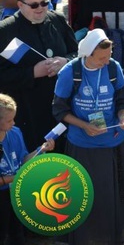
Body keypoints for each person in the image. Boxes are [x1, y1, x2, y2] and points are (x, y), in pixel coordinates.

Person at [52, 29, 124, 245]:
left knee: (113, 194)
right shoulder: (71, 72)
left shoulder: (113, 68)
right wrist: (84, 125)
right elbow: (59, 110)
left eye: (108, 57)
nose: (106, 62)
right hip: (82, 144)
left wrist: (122, 115)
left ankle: (113, 237)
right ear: (87, 53)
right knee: (86, 194)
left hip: (113, 142)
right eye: (101, 58)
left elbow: (122, 97)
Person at [0, 0, 77, 154]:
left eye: (44, 3)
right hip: (28, 111)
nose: (40, 8)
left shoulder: (57, 20)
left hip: (61, 106)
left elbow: (78, 54)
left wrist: (65, 61)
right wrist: (32, 72)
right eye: (34, 5)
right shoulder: (5, 31)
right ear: (20, 5)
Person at [0, 93, 54, 245]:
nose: (14, 123)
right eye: (9, 120)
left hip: (15, 190)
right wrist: (10, 178)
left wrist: (41, 150)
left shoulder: (15, 132)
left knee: (17, 233)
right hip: (2, 193)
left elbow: (23, 160)